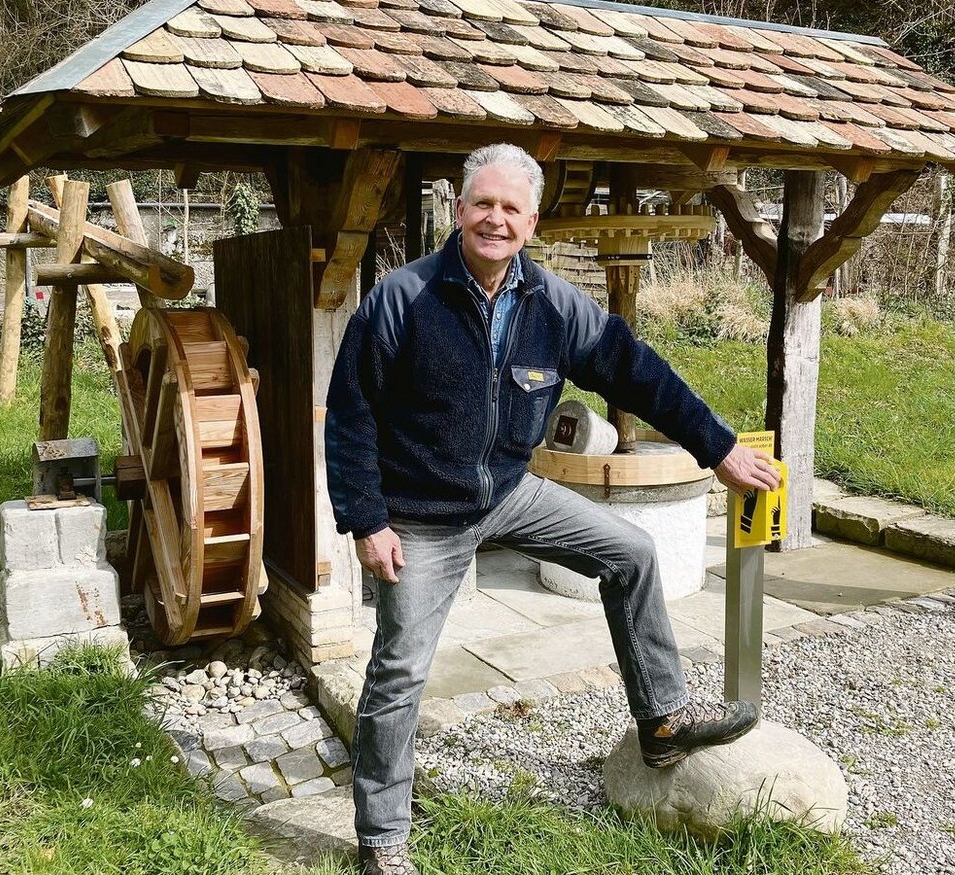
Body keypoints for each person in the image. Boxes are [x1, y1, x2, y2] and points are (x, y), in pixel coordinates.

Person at [325, 143, 781, 875]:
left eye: (511, 208)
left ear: (532, 222)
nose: (495, 219)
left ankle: (662, 720)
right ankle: (382, 838)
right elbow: (350, 414)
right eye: (483, 203)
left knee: (631, 553)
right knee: (399, 672)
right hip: (421, 516)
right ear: (459, 209)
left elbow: (638, 373)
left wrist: (718, 447)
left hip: (509, 493)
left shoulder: (555, 305)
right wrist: (367, 519)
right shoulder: (403, 298)